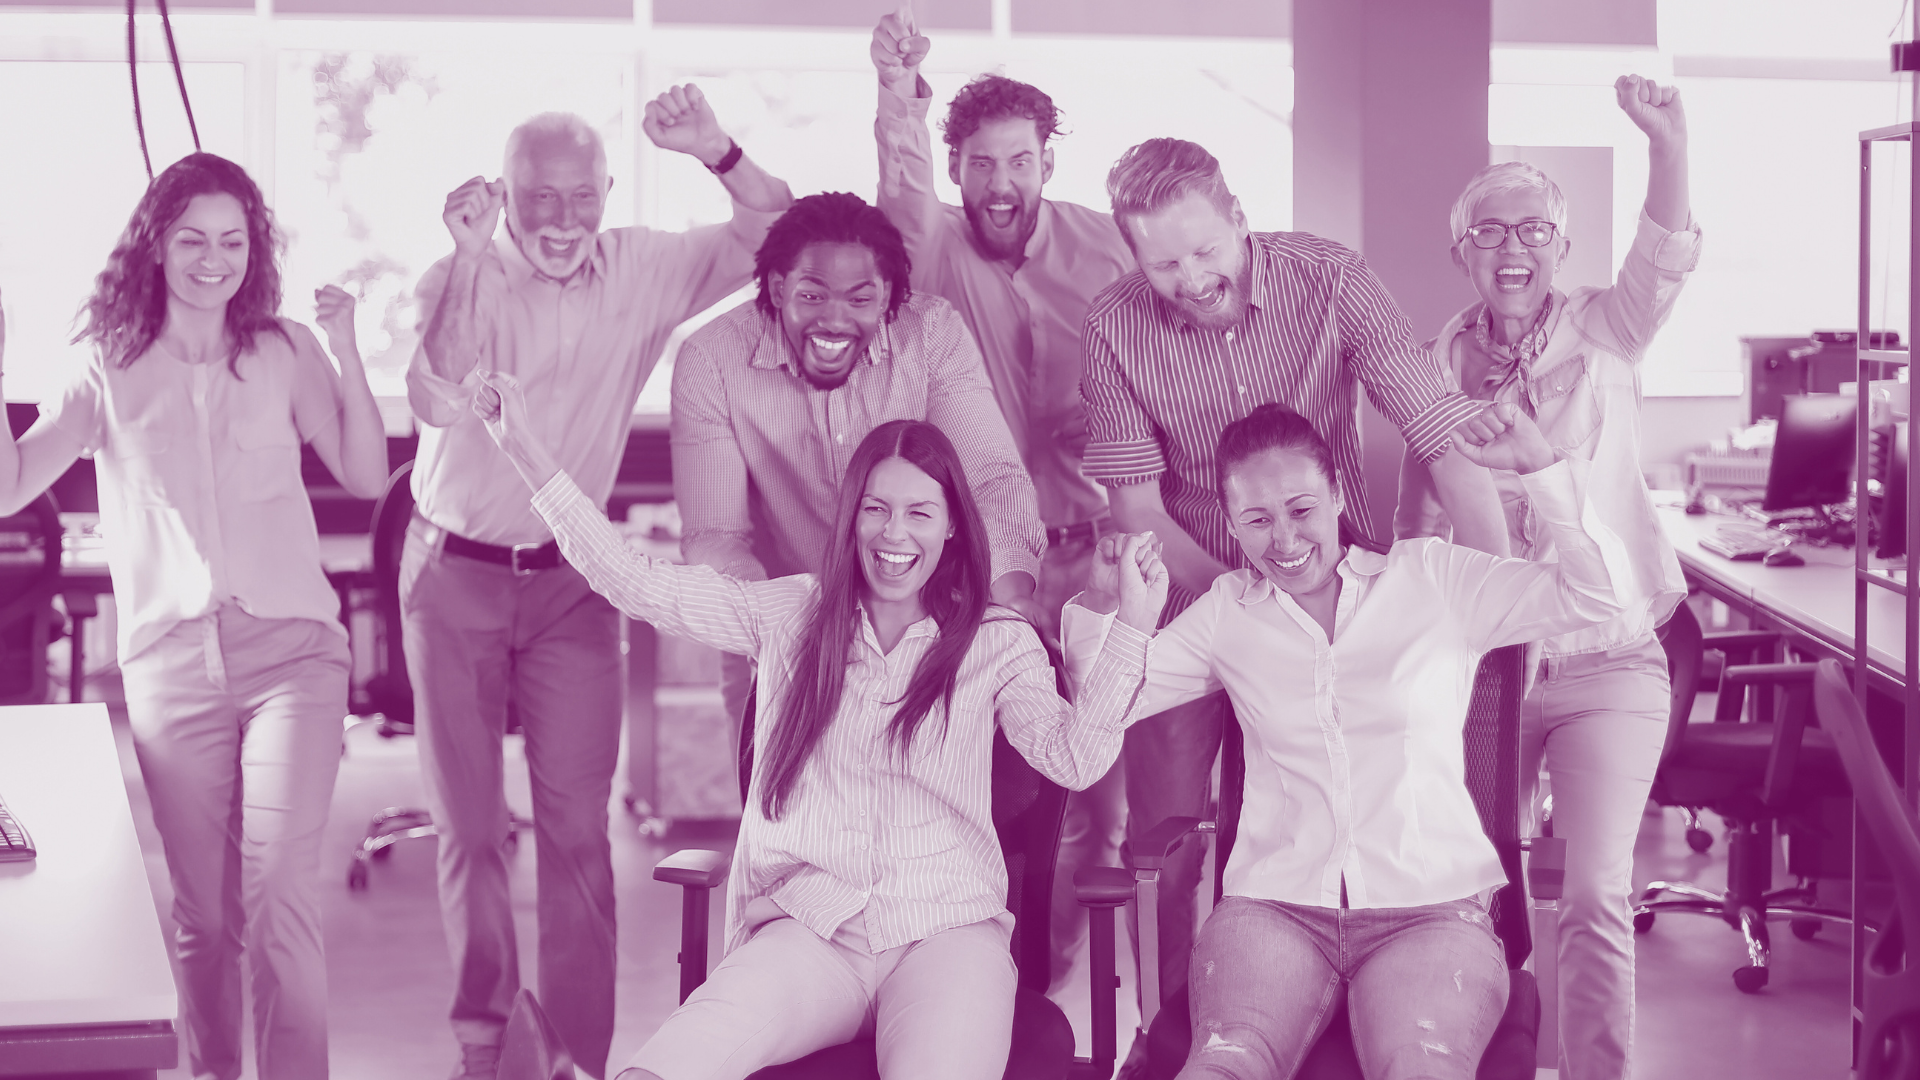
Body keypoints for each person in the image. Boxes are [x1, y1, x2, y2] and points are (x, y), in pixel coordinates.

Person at [475, 385, 1166, 1080]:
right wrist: (523, 450)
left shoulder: (997, 640)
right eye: (876, 510)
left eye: (920, 513)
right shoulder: (791, 615)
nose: (895, 535)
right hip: (810, 928)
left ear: (952, 525)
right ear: (852, 518)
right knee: (665, 1068)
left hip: (946, 934)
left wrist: (1131, 622)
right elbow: (634, 580)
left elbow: (1075, 758)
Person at [405, 88, 792, 1080]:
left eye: (582, 198)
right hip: (454, 575)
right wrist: (462, 258)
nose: (562, 221)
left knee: (579, 836)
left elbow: (777, 230)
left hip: (574, 585)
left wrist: (717, 148)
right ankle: (481, 1037)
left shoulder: (644, 267)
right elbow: (438, 395)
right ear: (507, 195)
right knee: (473, 831)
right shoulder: (466, 274)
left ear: (608, 193)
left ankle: (569, 1059)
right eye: (539, 198)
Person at [1064, 402, 1631, 1080]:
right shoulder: (1228, 614)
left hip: (1430, 911)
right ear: (1230, 520)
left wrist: (1541, 468)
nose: (1283, 539)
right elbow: (1109, 700)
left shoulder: (1433, 581)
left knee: (1423, 1067)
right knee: (1224, 1065)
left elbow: (1599, 598)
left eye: (1300, 509)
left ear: (1336, 493)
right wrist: (1102, 607)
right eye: (1257, 519)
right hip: (1273, 911)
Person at [1077, 136, 1509, 1021]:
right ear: (1133, 256)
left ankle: (1380, 983)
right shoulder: (1113, 325)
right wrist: (1250, 600)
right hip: (1193, 598)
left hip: (1334, 596)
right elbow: (1139, 512)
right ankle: (1177, 1021)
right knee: (1167, 836)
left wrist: (1498, 595)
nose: (1192, 279)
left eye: (1205, 251)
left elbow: (1442, 435)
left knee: (1362, 810)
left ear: (1240, 219)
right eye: (1163, 265)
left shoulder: (1332, 281)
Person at [0, 151, 387, 1080]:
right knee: (204, 916)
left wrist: (349, 348)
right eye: (193, 240)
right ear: (156, 245)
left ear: (254, 251)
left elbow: (371, 476)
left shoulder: (286, 351)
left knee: (279, 892)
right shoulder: (108, 366)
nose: (215, 260)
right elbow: (12, 485)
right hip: (172, 663)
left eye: (233, 241)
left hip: (293, 653)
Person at [1394, 75, 1698, 1080]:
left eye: (1534, 230)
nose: (1513, 247)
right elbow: (1418, 525)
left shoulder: (1606, 332)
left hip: (1610, 661)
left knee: (1598, 892)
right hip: (1493, 668)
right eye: (1490, 231)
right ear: (1461, 251)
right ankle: (1492, 1059)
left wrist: (1666, 140)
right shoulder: (1429, 370)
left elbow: (1661, 252)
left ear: (1562, 251)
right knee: (1476, 884)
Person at [868, 8, 1137, 985]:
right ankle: (1004, 987)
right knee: (993, 786)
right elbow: (899, 195)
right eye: (979, 164)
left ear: (1045, 165)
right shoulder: (934, 250)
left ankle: (1062, 992)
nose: (999, 183)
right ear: (958, 171)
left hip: (1095, 556)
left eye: (1016, 161)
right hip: (979, 574)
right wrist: (896, 92)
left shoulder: (1111, 251)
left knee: (1102, 793)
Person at [670, 190, 1046, 723]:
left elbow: (991, 479)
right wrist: (783, 629)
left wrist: (1007, 597)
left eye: (859, 299)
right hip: (786, 628)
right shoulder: (712, 359)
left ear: (888, 294)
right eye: (813, 295)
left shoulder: (933, 334)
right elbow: (716, 535)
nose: (834, 321)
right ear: (779, 289)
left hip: (935, 626)